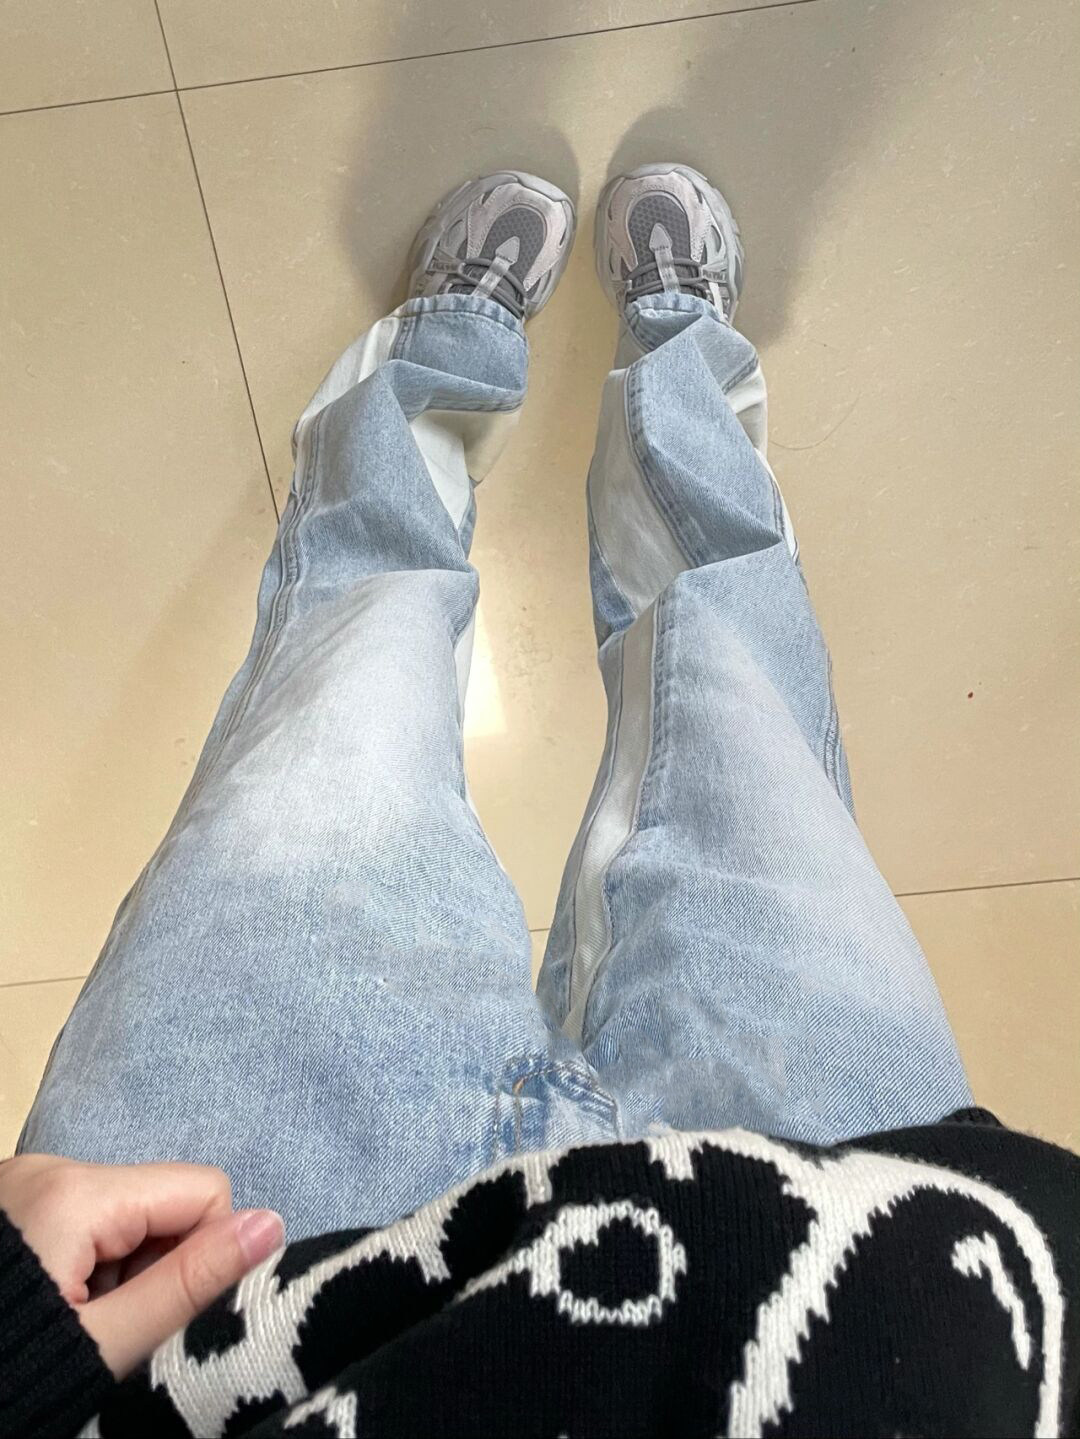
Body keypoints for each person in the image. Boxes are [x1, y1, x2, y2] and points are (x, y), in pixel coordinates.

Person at [0, 164, 1075, 1439]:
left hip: (257, 1274)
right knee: (738, 682)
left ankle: (438, 354)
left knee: (355, 666)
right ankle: (683, 356)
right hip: (869, 1238)